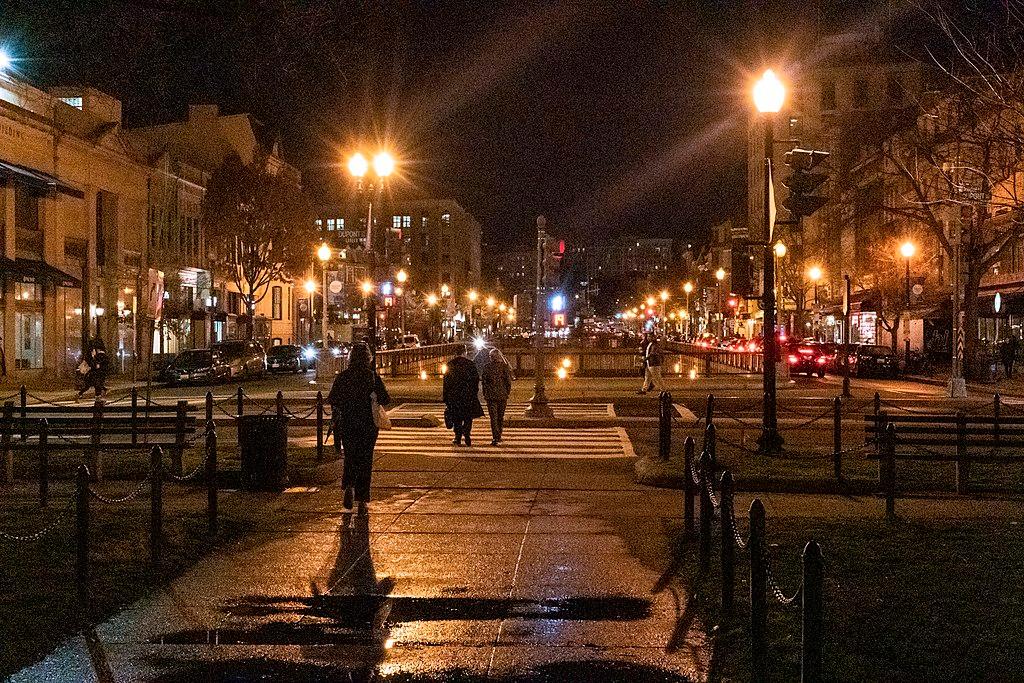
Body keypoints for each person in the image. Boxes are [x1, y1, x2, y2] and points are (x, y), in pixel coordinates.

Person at [327, 342, 390, 516]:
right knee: (365, 460)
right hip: (367, 424)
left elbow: (333, 399)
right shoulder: (372, 377)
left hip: (348, 423)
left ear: (350, 358)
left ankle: (348, 485)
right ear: (368, 358)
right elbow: (385, 399)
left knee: (350, 457)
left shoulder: (343, 377)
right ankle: (362, 500)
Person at [443, 344, 483, 446]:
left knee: (457, 417)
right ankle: (467, 433)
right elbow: (475, 380)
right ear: (465, 352)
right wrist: (474, 392)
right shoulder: (470, 364)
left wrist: (446, 396)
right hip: (468, 395)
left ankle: (458, 436)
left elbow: (446, 382)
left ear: (455, 353)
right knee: (468, 417)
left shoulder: (450, 364)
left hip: (454, 395)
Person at [481, 347, 513, 446]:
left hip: (491, 396)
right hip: (502, 395)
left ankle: (495, 436)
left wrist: (485, 393)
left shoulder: (487, 367)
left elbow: (484, 382)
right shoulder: (504, 367)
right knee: (500, 416)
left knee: (493, 417)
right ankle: (499, 434)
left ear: (491, 357)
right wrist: (507, 392)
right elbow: (508, 382)